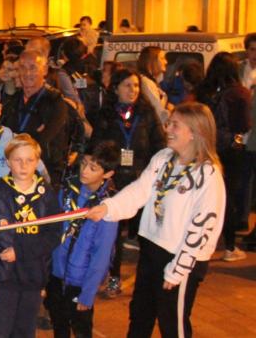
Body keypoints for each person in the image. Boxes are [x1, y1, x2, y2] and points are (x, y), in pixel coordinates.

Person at [87, 103, 225, 338]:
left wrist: (177, 271)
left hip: (180, 257)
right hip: (152, 249)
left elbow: (202, 227)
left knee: (173, 324)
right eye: (168, 122)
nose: (167, 128)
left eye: (175, 125)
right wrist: (108, 208)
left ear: (195, 132)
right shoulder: (163, 158)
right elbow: (140, 191)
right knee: (140, 314)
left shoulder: (208, 175)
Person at [0, 134, 61, 338]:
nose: (23, 165)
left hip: (33, 277)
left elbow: (53, 235)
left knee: (25, 332)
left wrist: (20, 251)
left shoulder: (47, 195)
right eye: (17, 160)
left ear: (37, 162)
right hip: (2, 278)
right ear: (7, 162)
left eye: (29, 160)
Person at [89, 68, 166, 297]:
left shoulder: (147, 113)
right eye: (127, 85)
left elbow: (159, 145)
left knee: (147, 233)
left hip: (143, 180)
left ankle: (149, 278)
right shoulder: (106, 114)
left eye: (135, 85)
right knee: (115, 235)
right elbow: (96, 146)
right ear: (115, 88)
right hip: (115, 182)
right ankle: (113, 277)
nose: (132, 90)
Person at [47, 141, 120, 338]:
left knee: (81, 329)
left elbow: (102, 255)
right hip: (56, 273)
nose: (84, 170)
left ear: (107, 173)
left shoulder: (108, 207)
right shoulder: (67, 190)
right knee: (58, 324)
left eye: (93, 168)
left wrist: (88, 293)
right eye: (83, 163)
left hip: (79, 281)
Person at [194, 52, 251, 262]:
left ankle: (198, 239)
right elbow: (244, 124)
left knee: (203, 193)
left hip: (205, 146)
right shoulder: (239, 93)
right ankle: (229, 246)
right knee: (228, 197)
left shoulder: (203, 91)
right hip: (230, 150)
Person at [0, 50, 71, 185]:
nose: (27, 73)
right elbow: (4, 136)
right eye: (23, 68)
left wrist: (19, 137)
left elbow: (46, 141)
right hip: (13, 173)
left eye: (33, 67)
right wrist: (33, 134)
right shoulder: (13, 101)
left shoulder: (55, 102)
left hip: (45, 175)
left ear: (44, 70)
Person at [136, 46, 171, 123]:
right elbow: (158, 114)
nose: (166, 62)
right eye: (162, 58)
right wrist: (172, 112)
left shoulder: (151, 82)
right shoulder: (147, 83)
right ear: (151, 61)